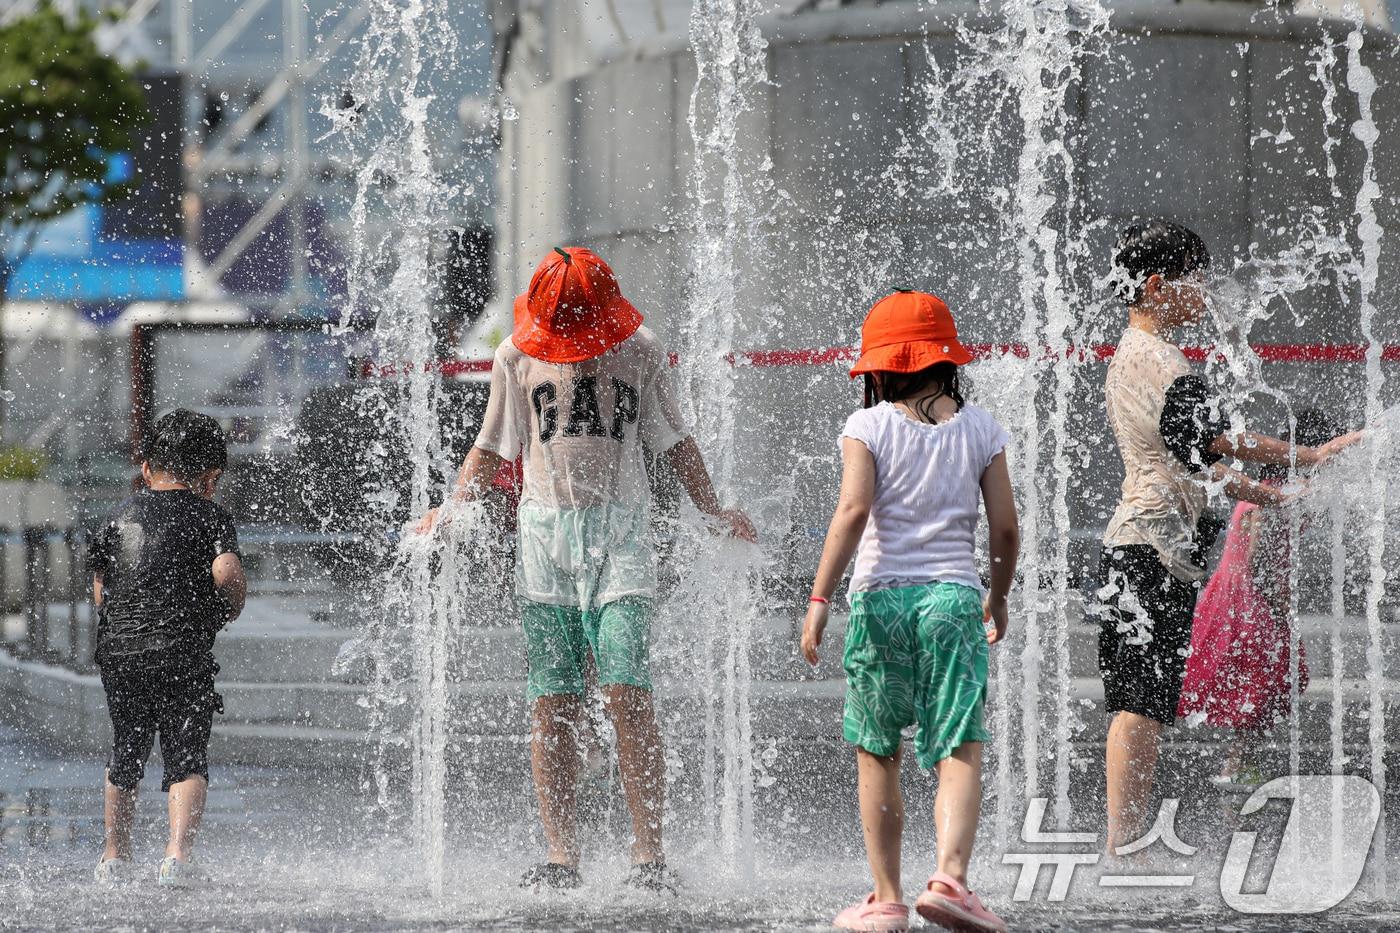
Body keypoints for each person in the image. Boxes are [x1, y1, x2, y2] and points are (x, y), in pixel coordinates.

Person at [416, 246, 755, 893]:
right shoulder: (517, 355)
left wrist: (713, 510)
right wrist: (452, 507)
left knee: (627, 690)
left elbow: (675, 439)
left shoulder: (640, 349)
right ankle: (561, 852)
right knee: (553, 702)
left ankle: (648, 853)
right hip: (544, 539)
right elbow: (490, 446)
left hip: (622, 532)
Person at [1097, 221, 1363, 855]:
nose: (1207, 291)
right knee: (1139, 704)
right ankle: (1122, 842)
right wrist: (1312, 454)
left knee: (1144, 702)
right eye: (1197, 278)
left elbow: (1201, 464)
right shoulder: (1163, 360)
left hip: (1143, 546)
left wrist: (1274, 494)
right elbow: (1218, 443)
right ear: (1159, 287)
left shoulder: (1132, 354)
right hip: (1147, 549)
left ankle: (1124, 839)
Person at [800, 290, 1019, 933]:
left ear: (880, 366)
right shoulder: (981, 428)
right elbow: (1005, 529)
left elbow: (853, 511)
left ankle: (887, 898)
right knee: (958, 743)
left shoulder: (866, 426)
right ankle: (950, 881)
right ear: (945, 358)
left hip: (879, 600)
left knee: (878, 748)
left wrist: (818, 600)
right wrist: (997, 596)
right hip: (953, 600)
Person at [89, 409, 247, 886]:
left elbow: (101, 590)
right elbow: (226, 575)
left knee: (127, 750)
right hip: (182, 650)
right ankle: (177, 858)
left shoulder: (115, 518)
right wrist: (230, 607)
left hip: (121, 652)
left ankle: (114, 856)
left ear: (146, 470)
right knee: (186, 755)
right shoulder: (211, 516)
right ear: (209, 476)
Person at [1177, 410, 1339, 787]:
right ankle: (1234, 766)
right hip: (1250, 601)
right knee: (1261, 682)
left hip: (1246, 595)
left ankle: (1235, 764)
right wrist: (1277, 601)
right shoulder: (1271, 499)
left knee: (1257, 685)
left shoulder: (1270, 490)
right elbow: (1258, 556)